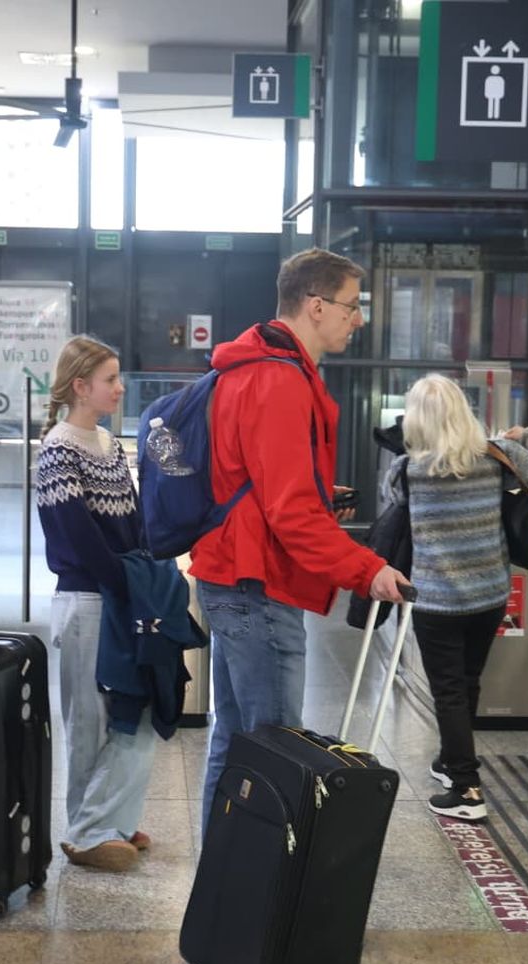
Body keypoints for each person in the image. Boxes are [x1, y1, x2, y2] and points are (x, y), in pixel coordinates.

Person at [190, 248, 409, 828]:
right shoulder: (278, 381)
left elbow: (260, 482)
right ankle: (255, 895)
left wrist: (315, 490)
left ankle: (226, 883)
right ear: (315, 306)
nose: (357, 318)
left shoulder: (249, 367)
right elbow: (290, 516)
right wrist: (368, 569)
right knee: (272, 755)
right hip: (259, 586)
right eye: (350, 305)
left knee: (239, 742)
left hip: (233, 573)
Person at [388, 375, 528, 823]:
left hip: (437, 601)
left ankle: (466, 789)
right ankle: (450, 762)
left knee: (448, 690)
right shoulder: (494, 457)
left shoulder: (407, 469)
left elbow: (394, 499)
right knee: (466, 682)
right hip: (488, 596)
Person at [36, 337, 155, 873]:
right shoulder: (59, 449)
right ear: (81, 386)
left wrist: (142, 571)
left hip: (117, 597)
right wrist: (128, 581)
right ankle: (87, 831)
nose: (120, 387)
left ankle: (108, 818)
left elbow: (131, 524)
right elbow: (80, 541)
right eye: (110, 379)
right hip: (86, 600)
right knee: (88, 721)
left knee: (123, 714)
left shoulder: (108, 442)